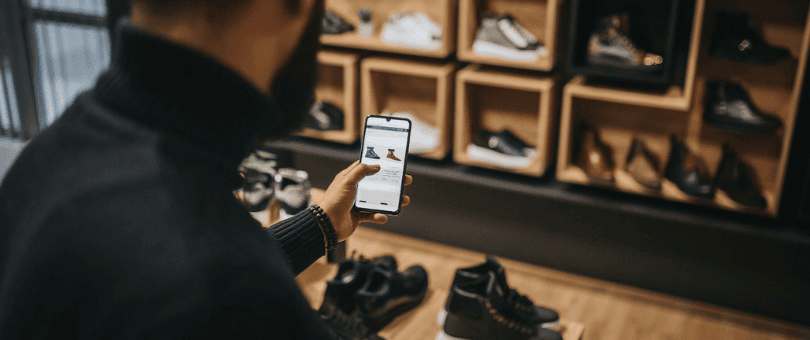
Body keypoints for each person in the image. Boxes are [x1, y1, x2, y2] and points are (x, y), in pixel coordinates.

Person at [0, 0, 412, 338]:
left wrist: (320, 225)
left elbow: (150, 276)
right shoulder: (222, 284)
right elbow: (213, 282)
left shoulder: (49, 153)